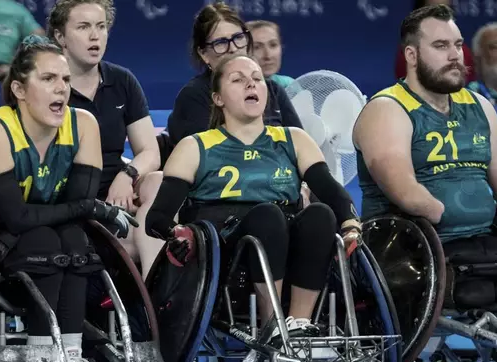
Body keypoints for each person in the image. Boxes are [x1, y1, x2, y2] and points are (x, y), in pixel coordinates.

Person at [0, 35, 136, 362]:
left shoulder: (84, 125)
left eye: (65, 79)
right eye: (48, 79)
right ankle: (40, 354)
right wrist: (92, 207)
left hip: (47, 231)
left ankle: (71, 350)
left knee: (75, 237)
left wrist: (88, 207)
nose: (61, 88)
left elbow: (78, 205)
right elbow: (16, 217)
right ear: (19, 90)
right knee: (43, 240)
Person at [147, 53, 361, 338]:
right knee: (267, 215)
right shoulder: (195, 146)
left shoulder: (293, 139)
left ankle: (298, 322)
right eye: (238, 80)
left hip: (287, 244)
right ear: (218, 98)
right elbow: (157, 218)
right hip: (226, 249)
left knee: (320, 215)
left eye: (257, 79)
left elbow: (332, 192)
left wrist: (351, 225)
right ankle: (272, 324)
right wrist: (177, 233)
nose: (251, 85)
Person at [355, 5, 497, 308]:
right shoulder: (386, 108)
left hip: (480, 241)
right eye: (440, 46)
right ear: (411, 56)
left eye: (458, 44)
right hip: (412, 245)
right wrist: (449, 214)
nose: (455, 55)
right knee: (475, 293)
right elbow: (405, 192)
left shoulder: (479, 106)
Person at [47, 0, 163, 279]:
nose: (95, 36)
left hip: (120, 191)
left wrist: (127, 174)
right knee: (139, 240)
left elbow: (149, 150)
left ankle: (152, 289)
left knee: (157, 180)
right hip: (73, 195)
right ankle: (156, 294)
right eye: (83, 27)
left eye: (101, 27)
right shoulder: (49, 87)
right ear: (60, 37)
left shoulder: (122, 81)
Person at [165, 1, 302, 152]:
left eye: (238, 38)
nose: (233, 49)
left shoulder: (273, 90)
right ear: (204, 54)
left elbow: (300, 147)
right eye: (221, 43)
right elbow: (206, 159)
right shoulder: (194, 96)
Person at [394, 0, 475, 83]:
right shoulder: (409, 51)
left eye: (445, 11)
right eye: (440, 46)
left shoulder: (464, 52)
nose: (454, 56)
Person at [247, 20, 295, 89]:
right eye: (257, 47)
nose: (268, 56)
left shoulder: (290, 85)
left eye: (273, 45)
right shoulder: (233, 89)